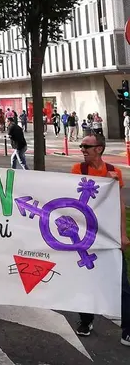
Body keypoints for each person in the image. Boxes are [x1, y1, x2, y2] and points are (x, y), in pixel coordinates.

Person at [70, 133, 130, 345]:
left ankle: (127, 329)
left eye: (87, 146)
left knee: (121, 283)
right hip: (87, 236)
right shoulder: (78, 170)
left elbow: (119, 205)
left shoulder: (115, 172)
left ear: (99, 149)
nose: (82, 149)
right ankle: (86, 320)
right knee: (87, 280)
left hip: (110, 234)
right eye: (81, 146)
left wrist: (122, 234)